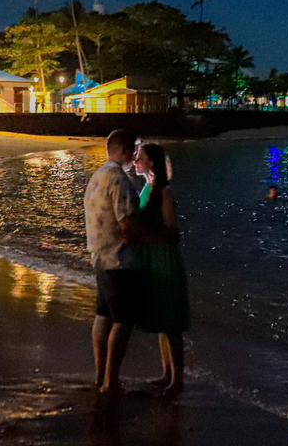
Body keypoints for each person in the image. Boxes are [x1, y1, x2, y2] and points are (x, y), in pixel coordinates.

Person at [84, 129, 153, 393]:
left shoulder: (97, 177)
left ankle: (100, 375)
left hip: (99, 256)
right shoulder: (119, 180)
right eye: (134, 150)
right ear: (124, 152)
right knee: (123, 320)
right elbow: (127, 223)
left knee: (103, 315)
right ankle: (111, 380)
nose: (135, 156)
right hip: (119, 260)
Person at [132, 142, 190, 395]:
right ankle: (166, 373)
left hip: (164, 259)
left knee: (171, 323)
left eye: (139, 157)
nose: (135, 161)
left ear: (151, 162)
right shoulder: (147, 188)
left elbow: (172, 232)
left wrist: (142, 236)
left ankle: (177, 379)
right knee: (161, 319)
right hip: (152, 258)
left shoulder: (163, 192)